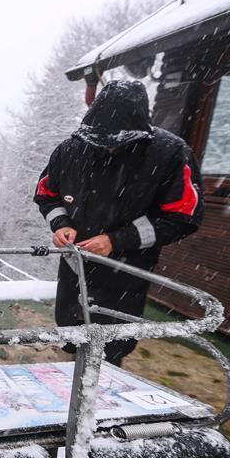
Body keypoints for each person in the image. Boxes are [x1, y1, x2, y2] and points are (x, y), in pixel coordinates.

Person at [33, 80, 204, 366]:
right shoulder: (70, 150)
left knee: (110, 345)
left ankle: (105, 384)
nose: (107, 148)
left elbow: (183, 217)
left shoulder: (170, 154)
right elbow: (46, 194)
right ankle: (67, 372)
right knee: (71, 332)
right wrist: (61, 223)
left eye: (116, 142)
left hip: (126, 271)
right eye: (99, 140)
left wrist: (117, 240)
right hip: (74, 266)